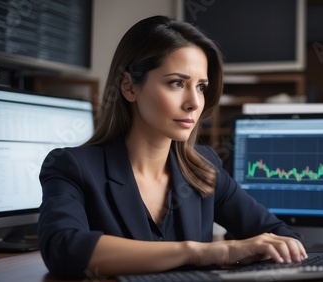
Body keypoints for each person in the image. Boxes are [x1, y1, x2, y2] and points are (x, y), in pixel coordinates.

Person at [37, 15, 307, 279]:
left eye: (201, 87)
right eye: (177, 83)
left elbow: (283, 238)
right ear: (129, 86)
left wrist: (242, 253)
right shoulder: (71, 166)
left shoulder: (205, 167)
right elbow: (63, 249)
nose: (194, 103)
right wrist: (199, 252)